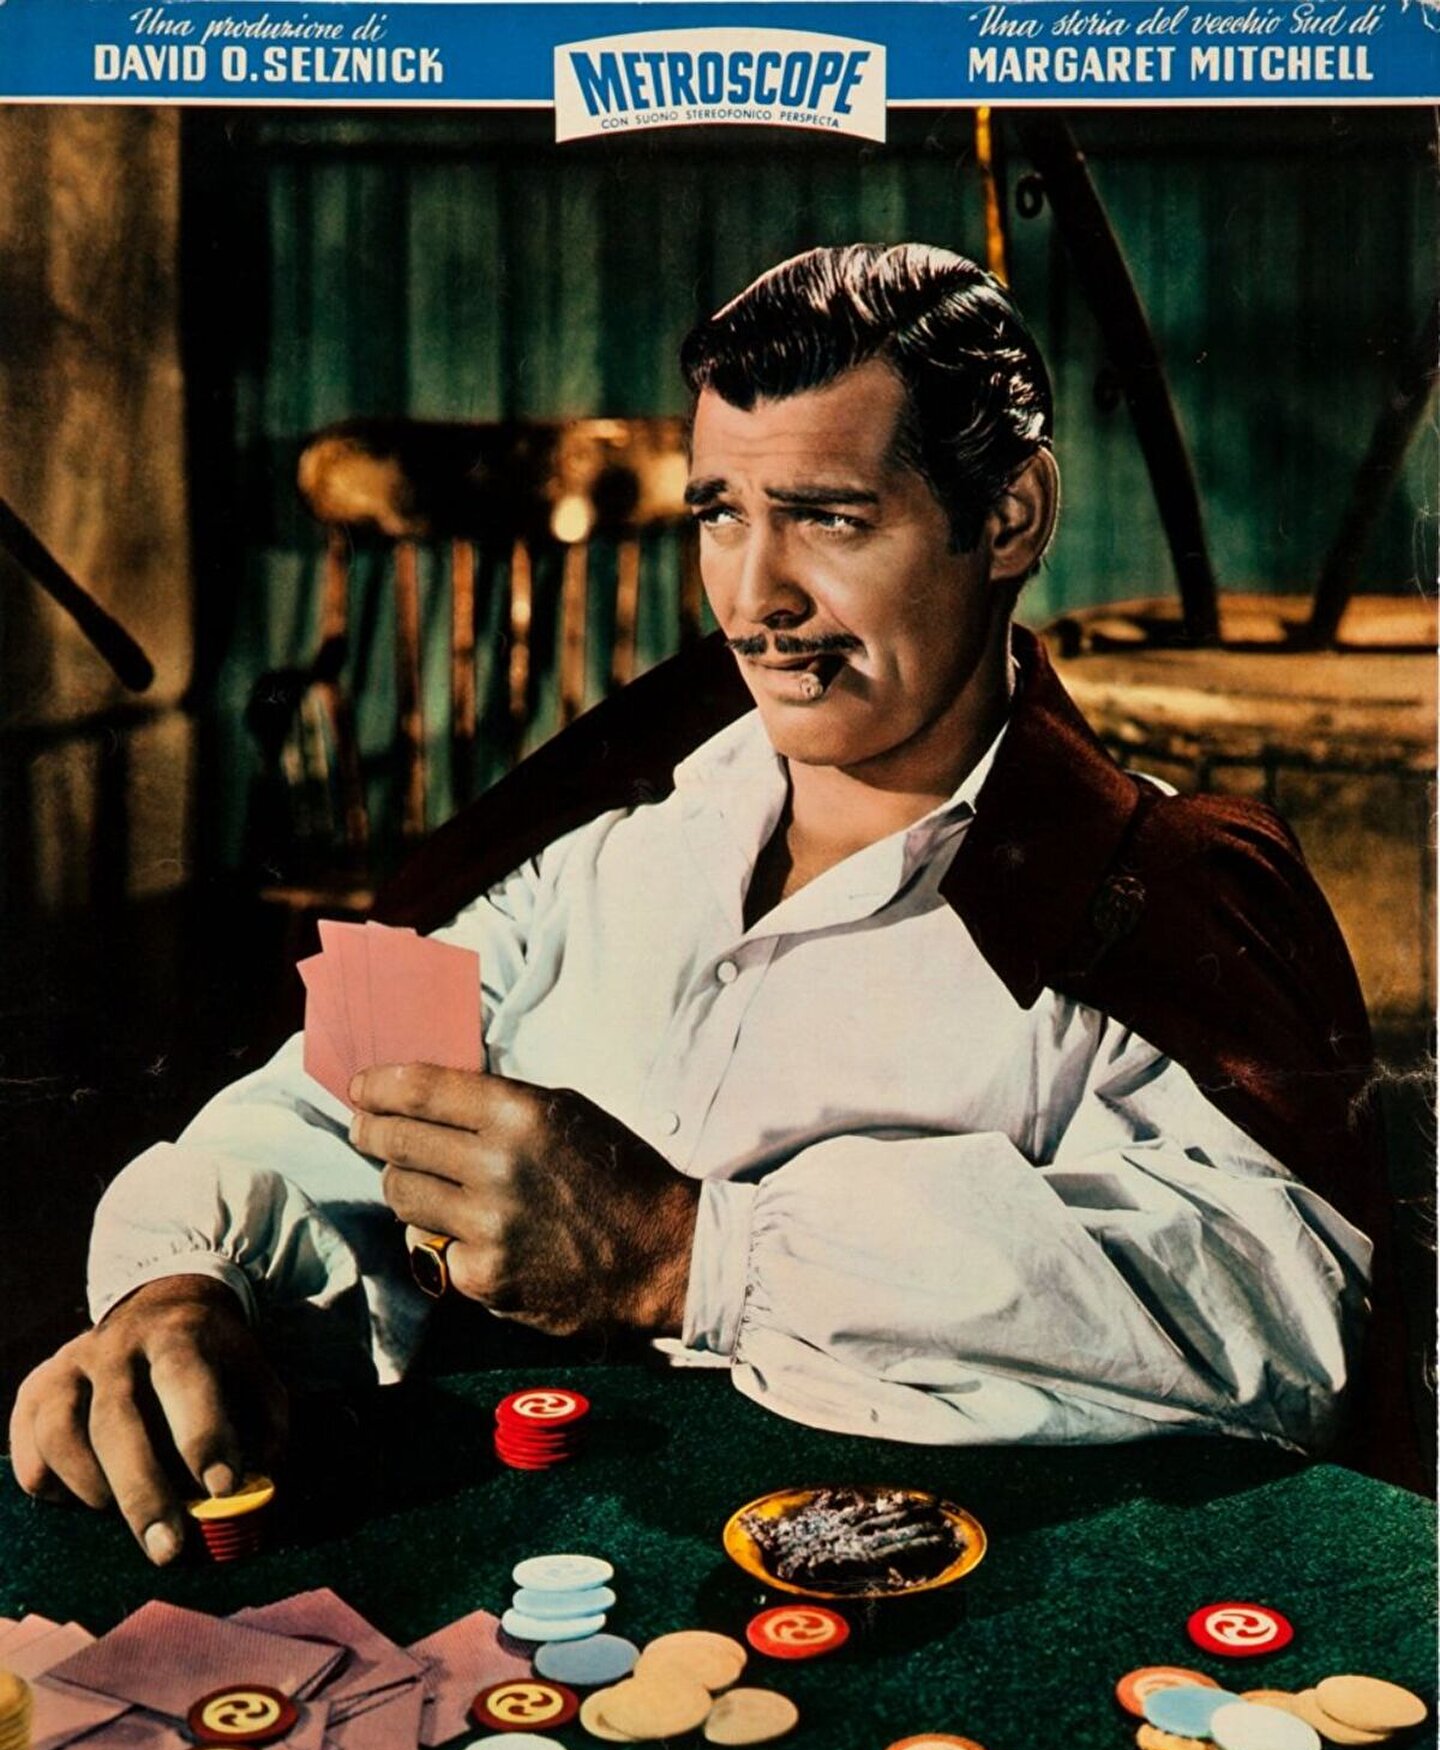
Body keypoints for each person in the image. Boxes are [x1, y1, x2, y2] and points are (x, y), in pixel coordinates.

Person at [9, 243, 1379, 1565]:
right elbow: (340, 1100)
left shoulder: (1145, 900)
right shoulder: (604, 828)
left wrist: (689, 1254)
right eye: (721, 514)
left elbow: (1274, 1310)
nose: (754, 597)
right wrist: (185, 1282)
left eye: (829, 518)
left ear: (1009, 516)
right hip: (530, 1573)